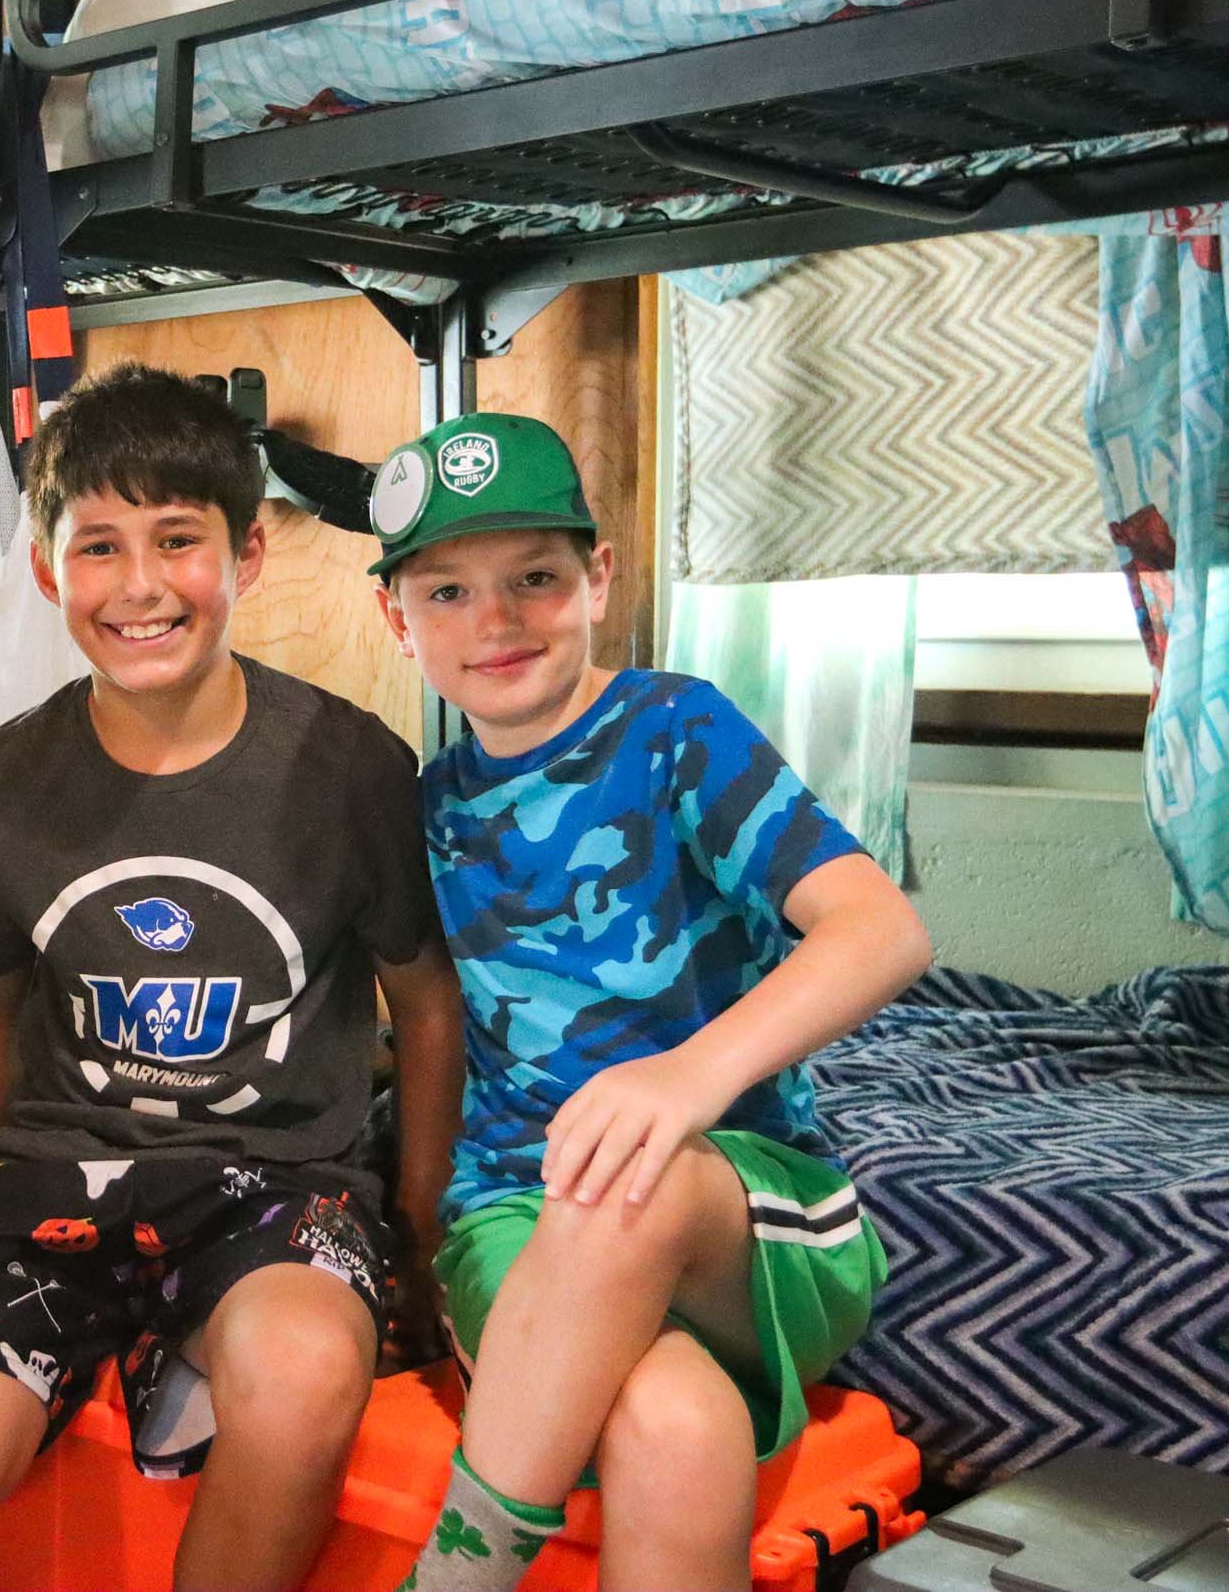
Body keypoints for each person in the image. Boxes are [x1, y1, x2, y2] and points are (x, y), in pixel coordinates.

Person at [0, 364, 462, 1592]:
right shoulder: (11, 778)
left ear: (247, 553)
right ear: (45, 571)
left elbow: (428, 1005)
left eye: (177, 541)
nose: (138, 585)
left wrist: (420, 1220)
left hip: (278, 1187)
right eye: (98, 547)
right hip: (48, 1176)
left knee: (299, 1383)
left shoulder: (351, 767)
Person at [368, 412, 933, 1590]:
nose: (497, 618)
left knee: (632, 1178)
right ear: (396, 619)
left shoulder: (672, 728)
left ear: (598, 574)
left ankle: (454, 1576)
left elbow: (883, 929)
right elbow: (425, 1017)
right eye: (448, 592)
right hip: (513, 1220)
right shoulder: (422, 806)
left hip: (739, 1210)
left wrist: (688, 1077)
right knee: (673, 1419)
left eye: (534, 577)